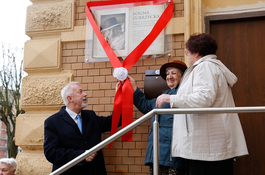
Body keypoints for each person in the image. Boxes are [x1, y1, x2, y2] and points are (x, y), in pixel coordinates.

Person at [156, 33, 248, 175]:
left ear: (197, 52)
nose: (187, 55)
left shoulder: (205, 67)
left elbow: (204, 98)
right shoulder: (209, 67)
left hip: (207, 147)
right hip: (208, 146)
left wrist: (171, 99)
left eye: (188, 52)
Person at [44, 81, 119, 175]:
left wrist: (121, 96)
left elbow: (114, 122)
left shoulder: (91, 116)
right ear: (70, 98)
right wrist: (81, 156)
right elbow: (51, 153)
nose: (85, 94)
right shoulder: (53, 122)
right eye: (80, 92)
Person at [128, 60, 188, 175]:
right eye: (167, 74)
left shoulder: (183, 95)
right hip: (158, 153)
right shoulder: (165, 95)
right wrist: (133, 87)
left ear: (183, 76)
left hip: (172, 155)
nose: (169, 76)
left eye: (173, 73)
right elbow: (146, 106)